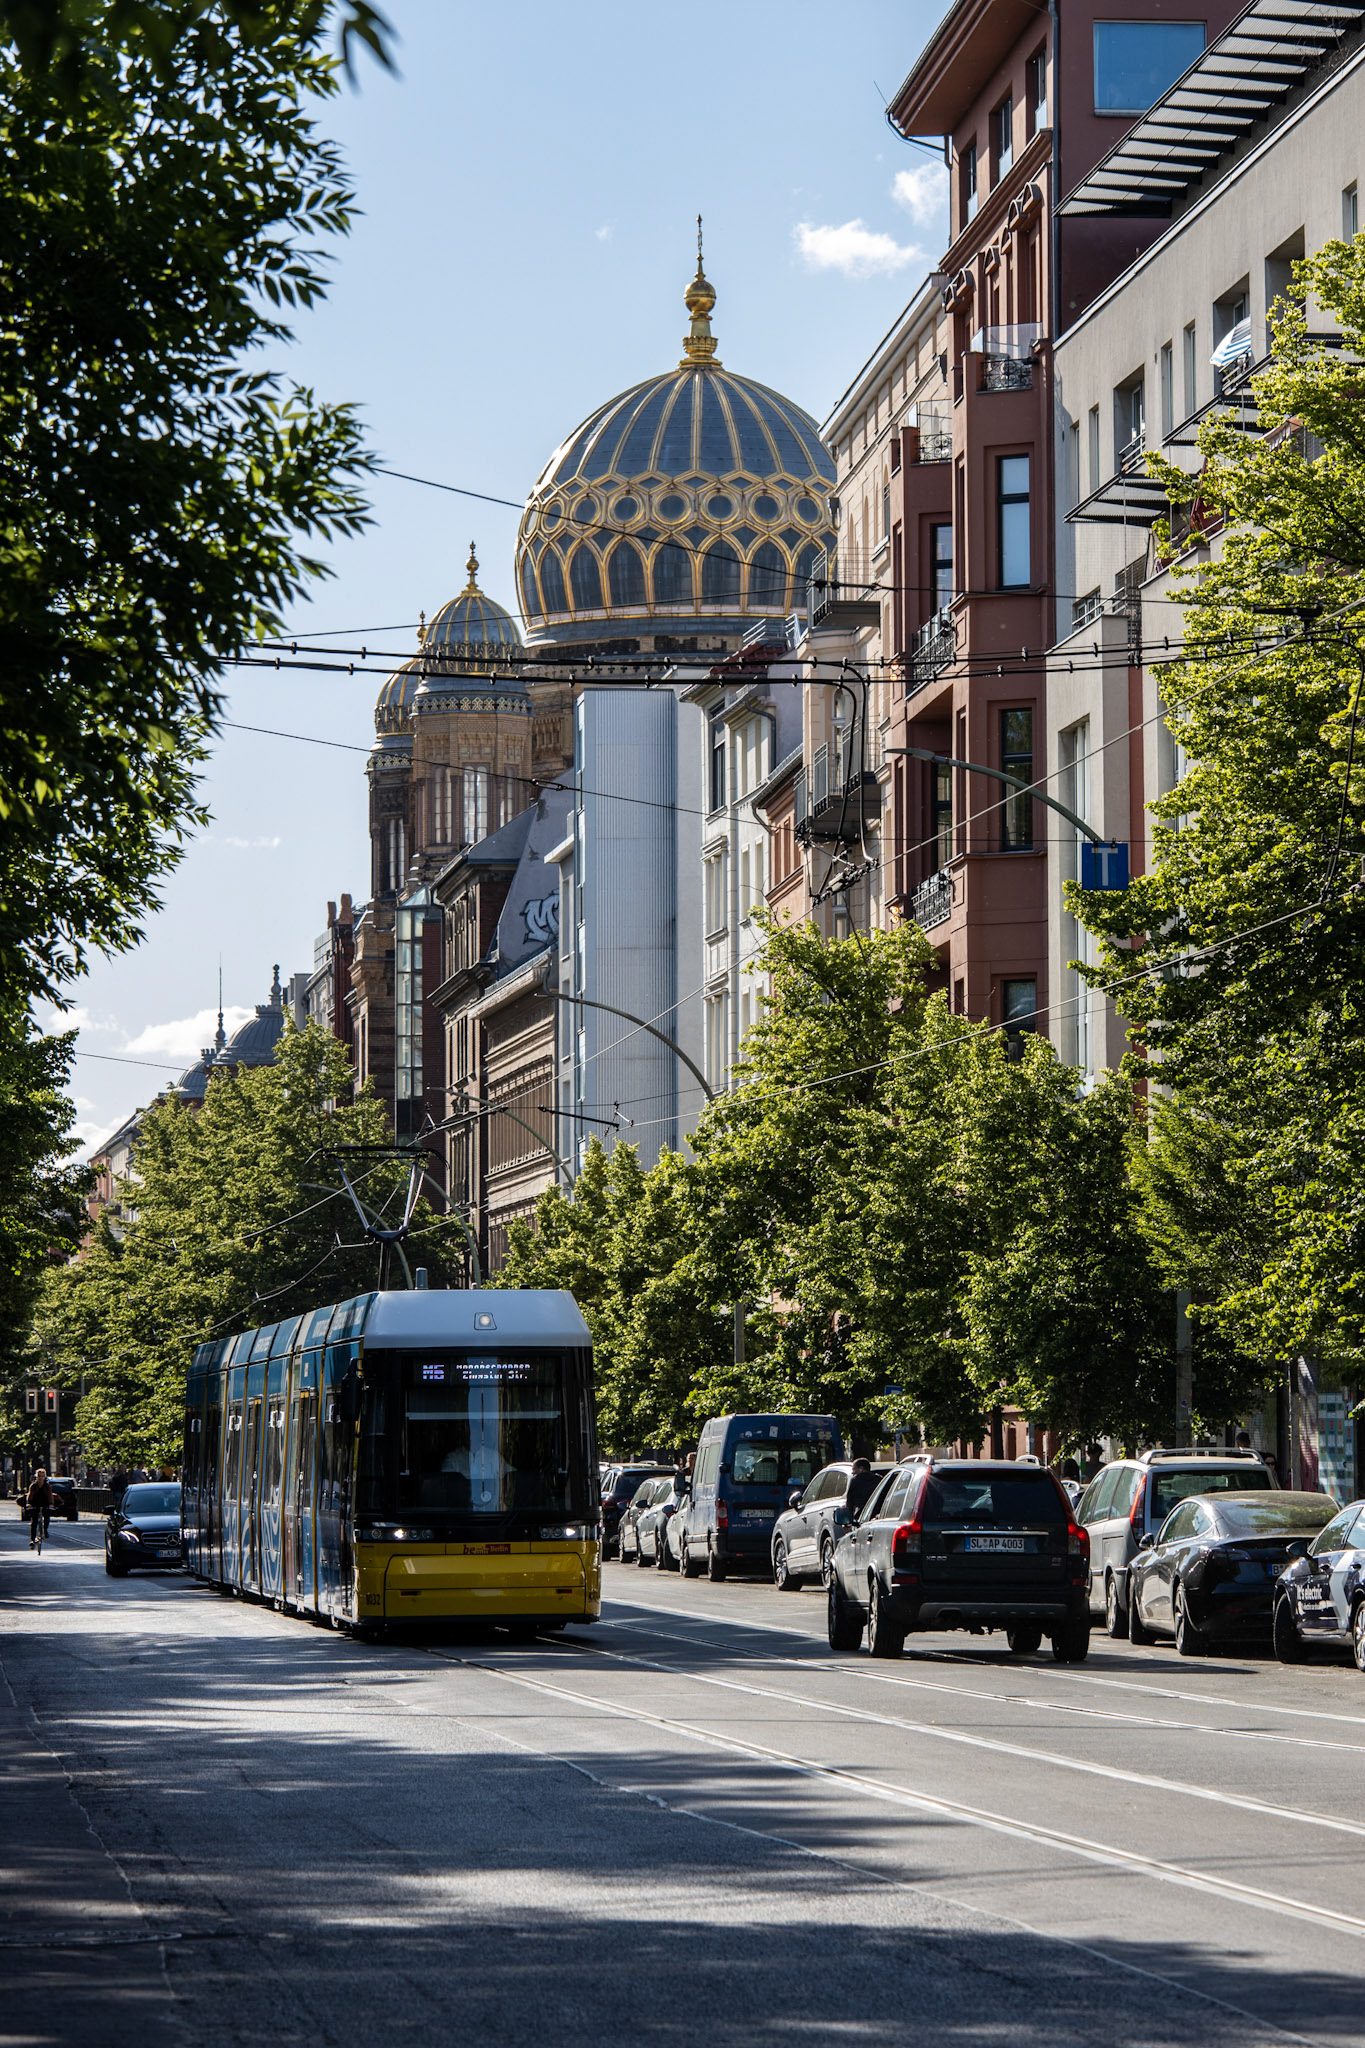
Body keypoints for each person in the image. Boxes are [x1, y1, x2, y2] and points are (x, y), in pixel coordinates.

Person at [844, 1457, 878, 1521]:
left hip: (861, 1516)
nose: (852, 1472)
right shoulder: (879, 1479)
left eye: (854, 1469)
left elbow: (849, 1502)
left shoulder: (855, 1480)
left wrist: (848, 1518)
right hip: (878, 1515)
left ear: (861, 1468)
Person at [25, 1469, 53, 1547]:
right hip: (35, 1503)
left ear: (45, 1477)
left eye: (42, 1476)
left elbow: (50, 1496)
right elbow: (30, 1495)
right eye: (39, 1476)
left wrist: (51, 1504)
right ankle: (32, 1539)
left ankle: (45, 1530)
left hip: (45, 1503)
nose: (40, 1478)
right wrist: (29, 1503)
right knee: (34, 1522)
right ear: (36, 1477)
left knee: (47, 1516)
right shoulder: (33, 1486)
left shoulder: (47, 1486)